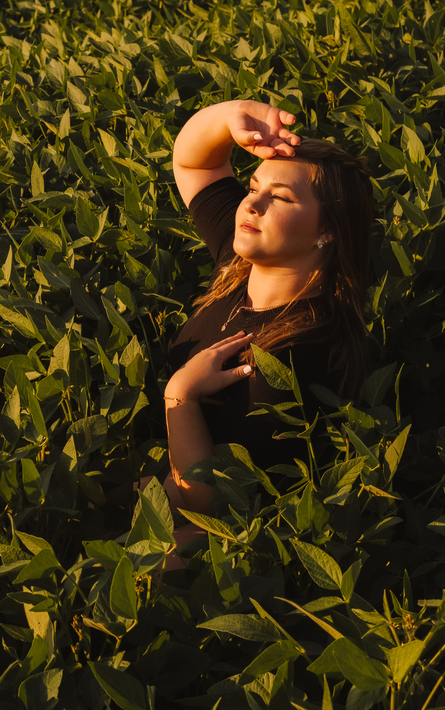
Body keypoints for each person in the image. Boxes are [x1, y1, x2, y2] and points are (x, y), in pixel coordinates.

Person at [158, 99, 374, 551]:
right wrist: (234, 115)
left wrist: (180, 395)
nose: (251, 204)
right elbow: (194, 160)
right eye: (253, 186)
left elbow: (210, 507)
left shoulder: (295, 356)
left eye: (280, 197)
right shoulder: (239, 263)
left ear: (327, 231)